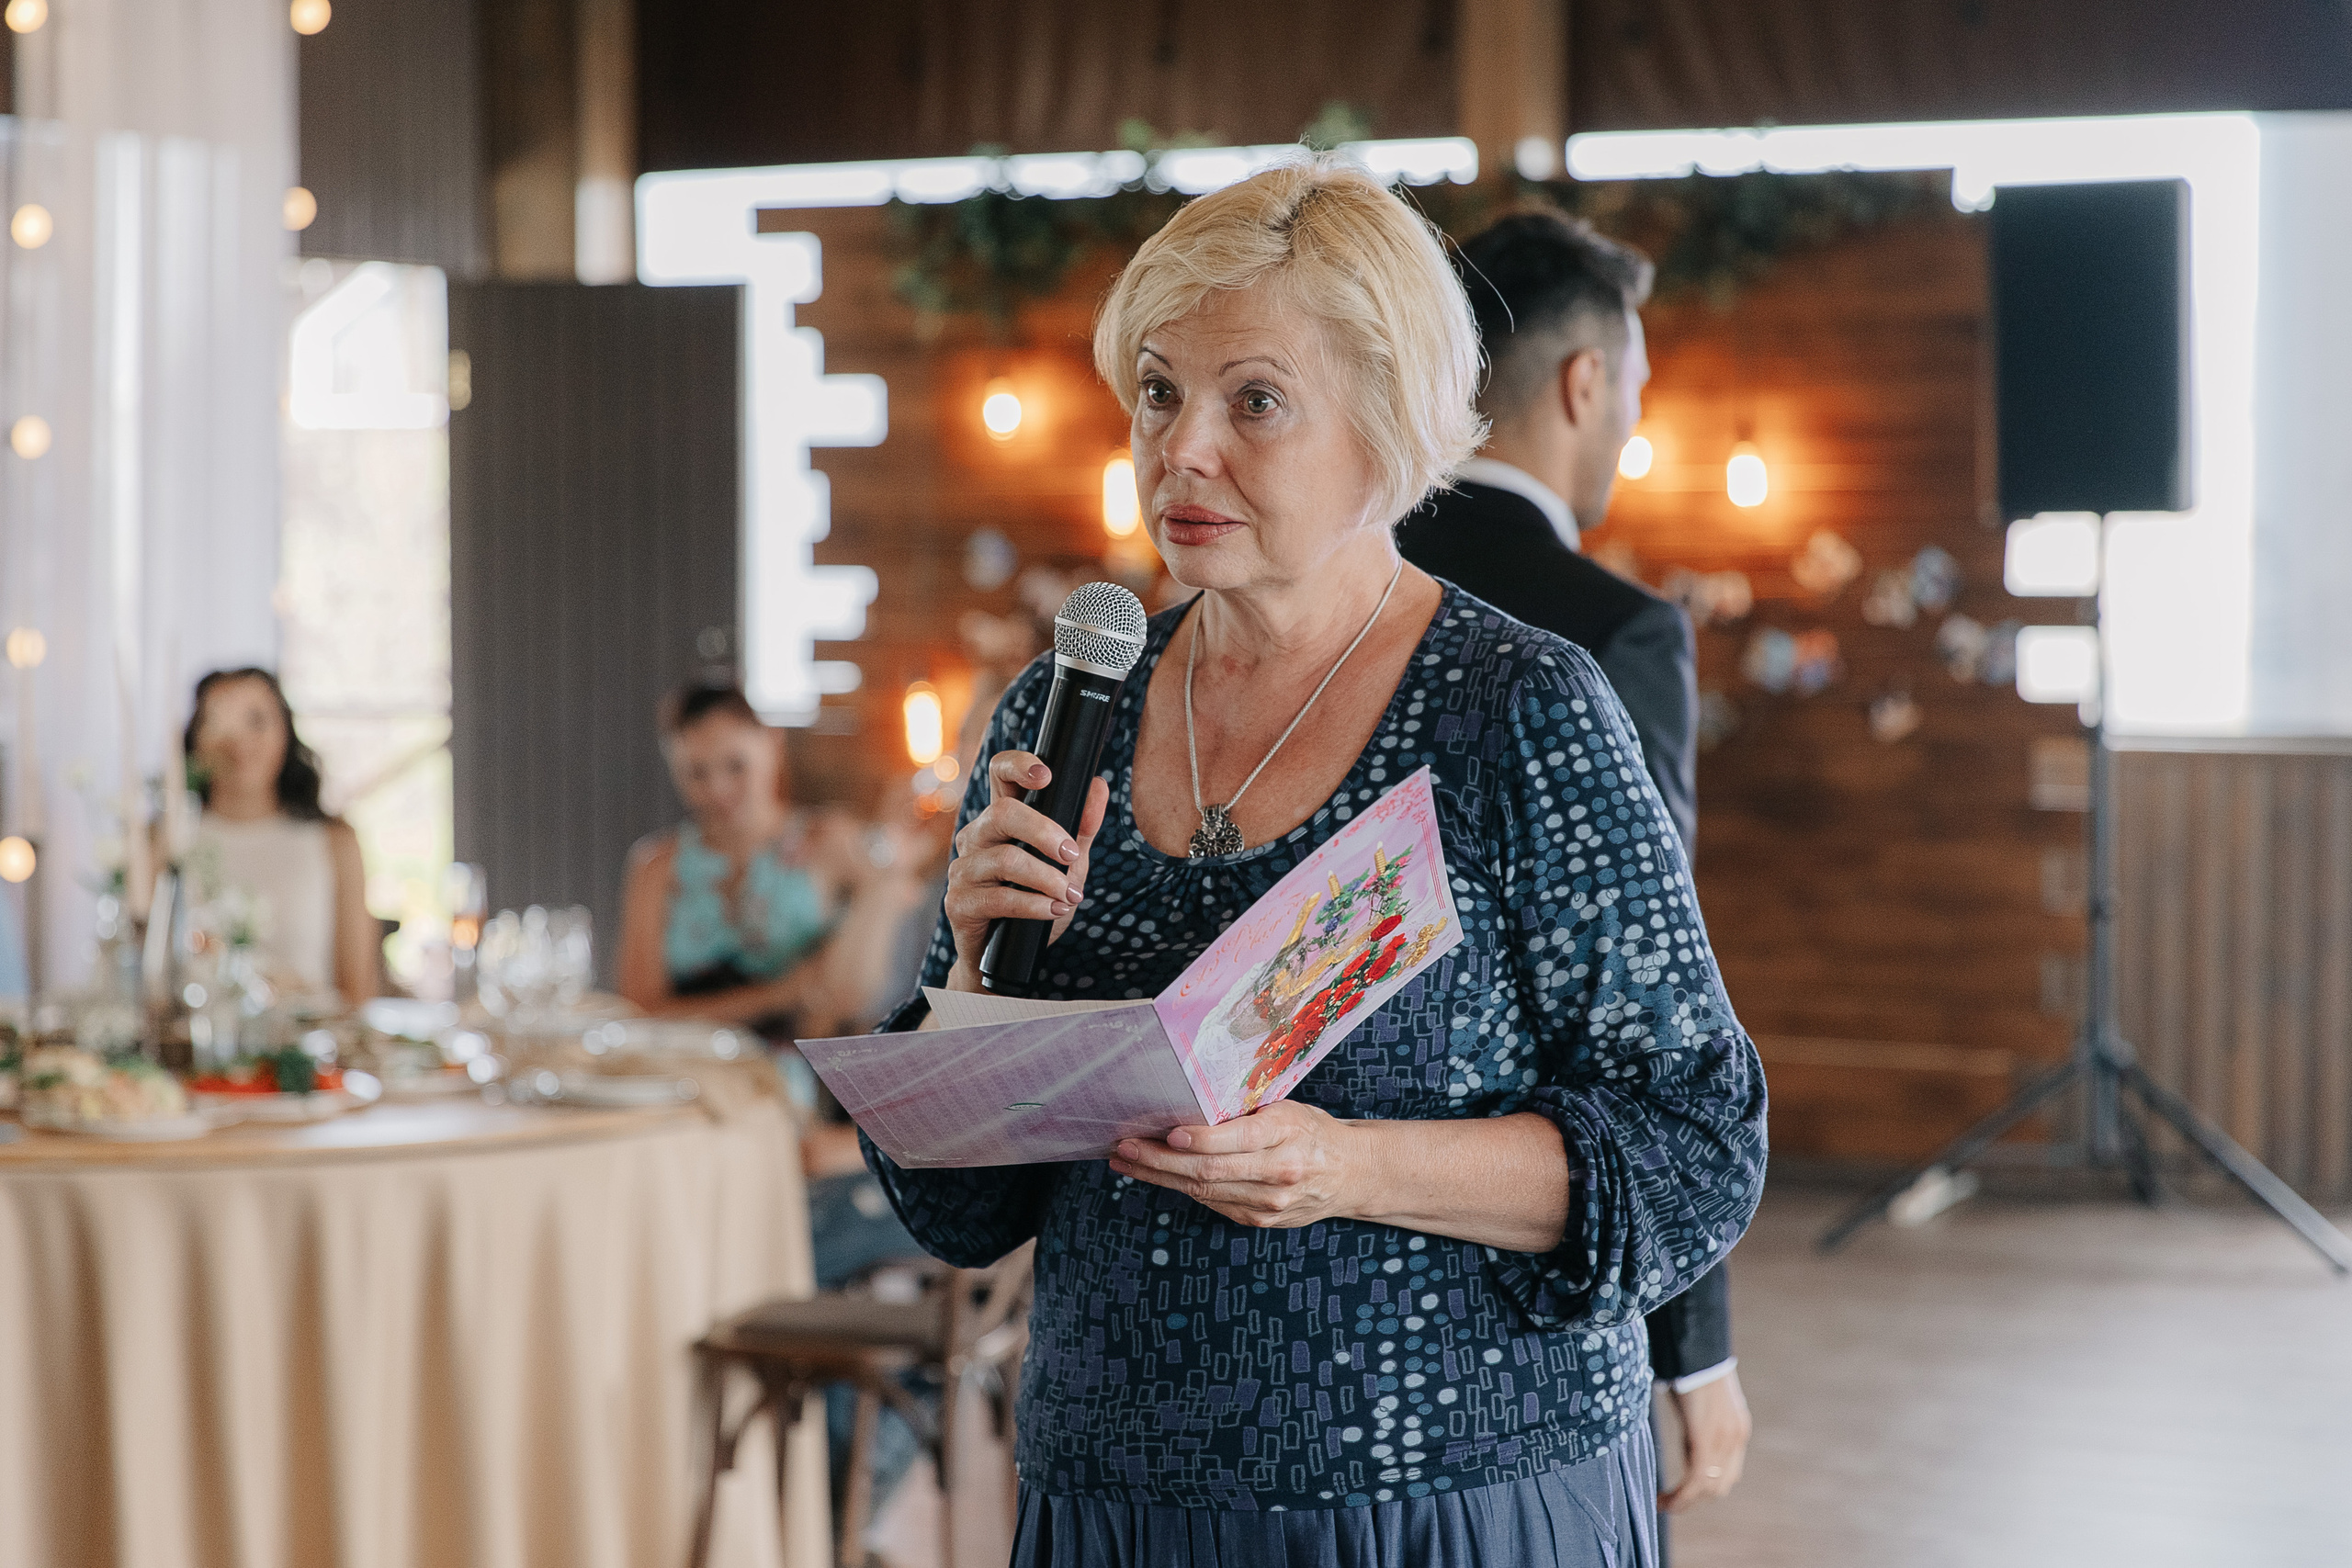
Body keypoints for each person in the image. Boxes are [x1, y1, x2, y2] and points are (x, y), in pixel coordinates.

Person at [865, 155, 1767, 1566]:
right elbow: (953, 1205)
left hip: (1451, 1497)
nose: (1183, 450)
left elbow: (1697, 1148)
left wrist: (1348, 1165)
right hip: (1119, 1499)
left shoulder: (1517, 707)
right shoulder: (1063, 708)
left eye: (1255, 401)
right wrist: (975, 980)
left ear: (1388, 421)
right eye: (1159, 392)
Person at [1395, 209, 1753, 1543]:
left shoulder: (1331, 596)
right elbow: (1656, 1009)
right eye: (1637, 391)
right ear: (1584, 380)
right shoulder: (1611, 629)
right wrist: (1692, 1347)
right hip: (1537, 1271)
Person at [182, 668, 379, 1007]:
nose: (238, 740)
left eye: (256, 720)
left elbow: (356, 993)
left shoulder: (334, 841)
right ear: (195, 740)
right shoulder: (168, 841)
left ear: (285, 735)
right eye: (219, 721)